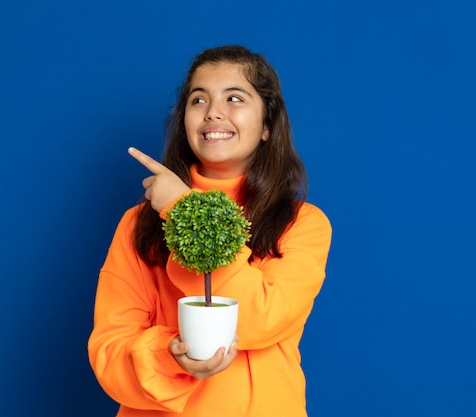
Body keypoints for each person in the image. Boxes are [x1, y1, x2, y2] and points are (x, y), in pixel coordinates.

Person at [88, 45, 332, 417]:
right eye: (198, 100)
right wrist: (170, 356)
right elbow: (109, 353)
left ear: (267, 125)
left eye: (234, 98)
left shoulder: (302, 223)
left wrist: (185, 211)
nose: (214, 112)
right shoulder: (138, 225)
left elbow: (259, 318)